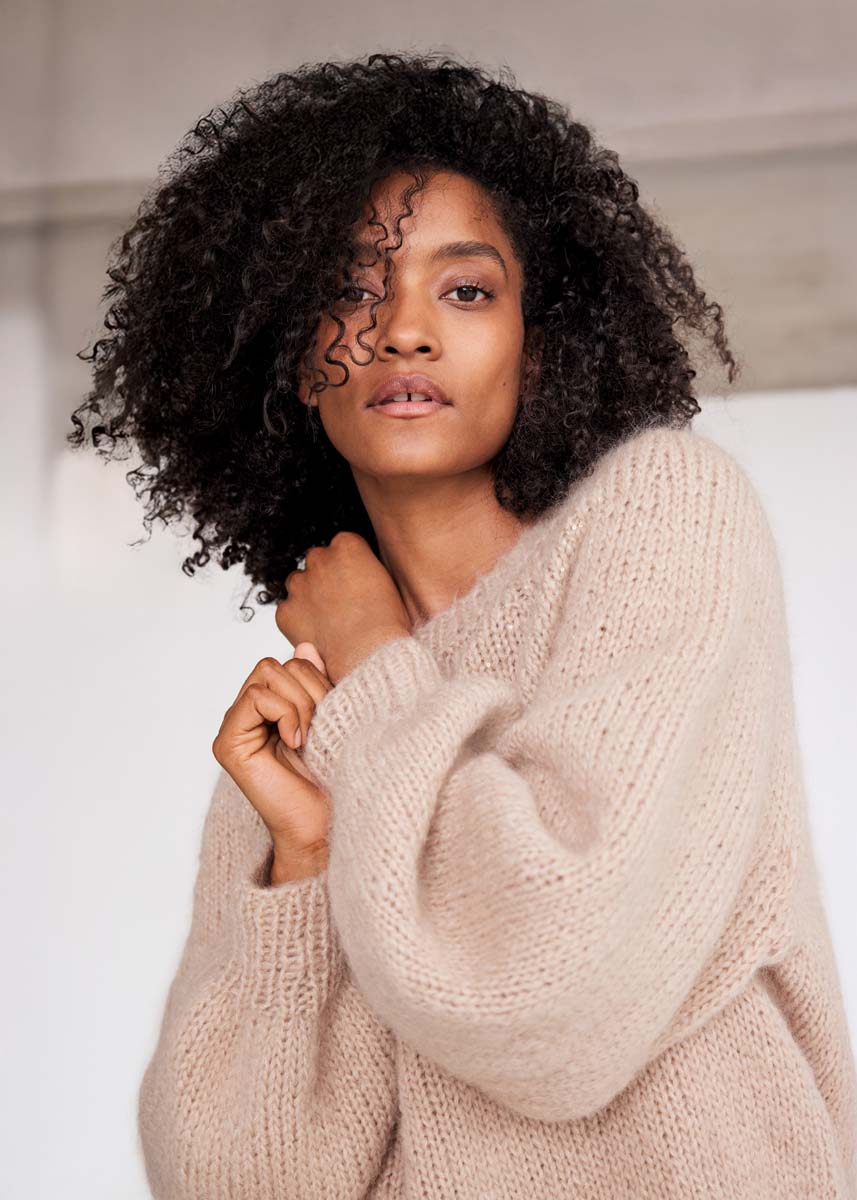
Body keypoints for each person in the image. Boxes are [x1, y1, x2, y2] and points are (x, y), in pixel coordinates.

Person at [69, 50, 856, 1200]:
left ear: (544, 337)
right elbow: (244, 1182)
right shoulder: (314, 719)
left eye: (466, 290)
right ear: (289, 352)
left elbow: (551, 999)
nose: (401, 331)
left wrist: (375, 663)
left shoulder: (660, 519)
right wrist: (308, 858)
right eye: (350, 290)